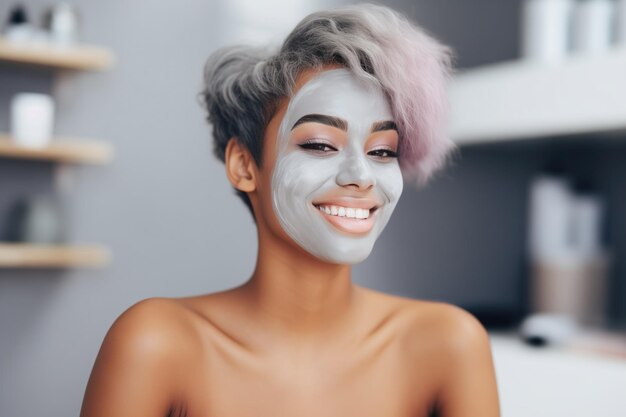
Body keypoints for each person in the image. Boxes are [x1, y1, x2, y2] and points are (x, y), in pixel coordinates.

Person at [80, 4, 500, 417]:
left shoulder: (449, 344)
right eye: (319, 144)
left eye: (382, 150)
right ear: (245, 165)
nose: (361, 175)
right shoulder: (156, 345)